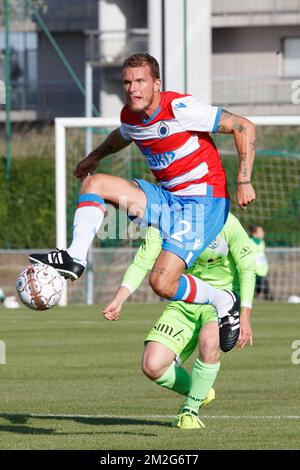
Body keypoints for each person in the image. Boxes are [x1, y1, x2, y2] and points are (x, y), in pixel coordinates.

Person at [30, 53, 255, 337]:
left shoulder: (180, 108)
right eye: (127, 82)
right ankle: (75, 258)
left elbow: (244, 126)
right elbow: (123, 134)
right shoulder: (131, 115)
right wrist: (95, 156)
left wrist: (243, 179)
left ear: (156, 84)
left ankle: (224, 300)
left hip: (204, 202)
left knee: (161, 283)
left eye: (140, 81)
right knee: (94, 183)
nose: (132, 88)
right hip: (168, 198)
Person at [103, 212, 256, 429]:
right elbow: (142, 261)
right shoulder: (164, 221)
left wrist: (245, 315)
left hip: (225, 300)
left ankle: (189, 411)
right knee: (152, 364)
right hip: (186, 298)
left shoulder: (224, 219)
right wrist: (119, 299)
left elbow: (248, 268)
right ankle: (201, 391)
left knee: (210, 341)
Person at [249, 224, 273, 301]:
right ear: (254, 233)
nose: (263, 233)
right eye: (261, 231)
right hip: (253, 270)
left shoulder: (262, 242)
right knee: (254, 289)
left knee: (263, 288)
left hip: (262, 270)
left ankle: (268, 298)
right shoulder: (249, 242)